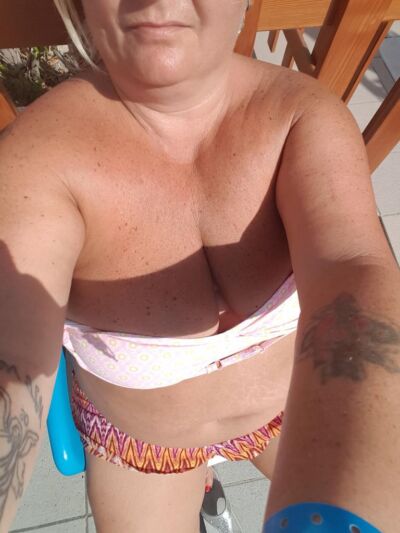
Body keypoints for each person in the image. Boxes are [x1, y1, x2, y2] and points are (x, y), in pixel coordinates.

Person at [0, 0, 398, 532]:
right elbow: (13, 355)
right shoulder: (33, 164)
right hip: (142, 444)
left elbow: (352, 271)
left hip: (289, 408)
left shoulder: (300, 118)